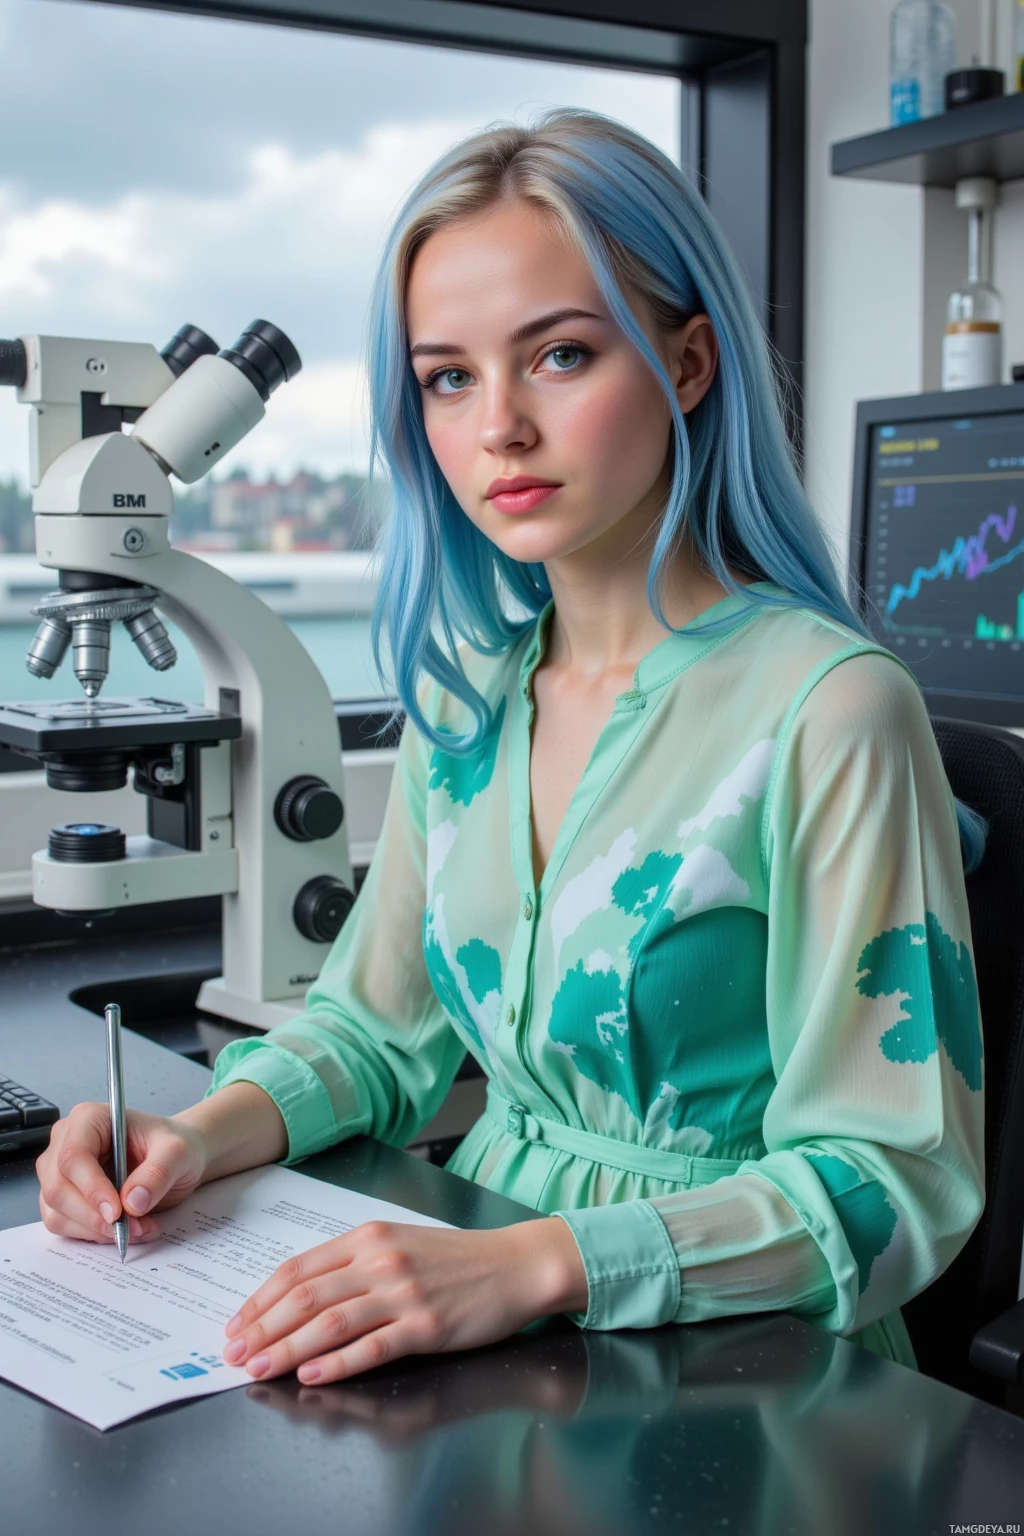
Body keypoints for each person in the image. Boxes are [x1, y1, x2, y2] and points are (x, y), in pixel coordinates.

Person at [36, 109, 985, 1389]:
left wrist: (540, 1262)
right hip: (476, 1308)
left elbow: (894, 1183)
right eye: (448, 377)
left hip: (743, 1368)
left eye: (560, 356)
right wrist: (198, 1136)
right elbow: (374, 1033)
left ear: (689, 363)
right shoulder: (472, 696)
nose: (499, 431)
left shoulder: (831, 710)